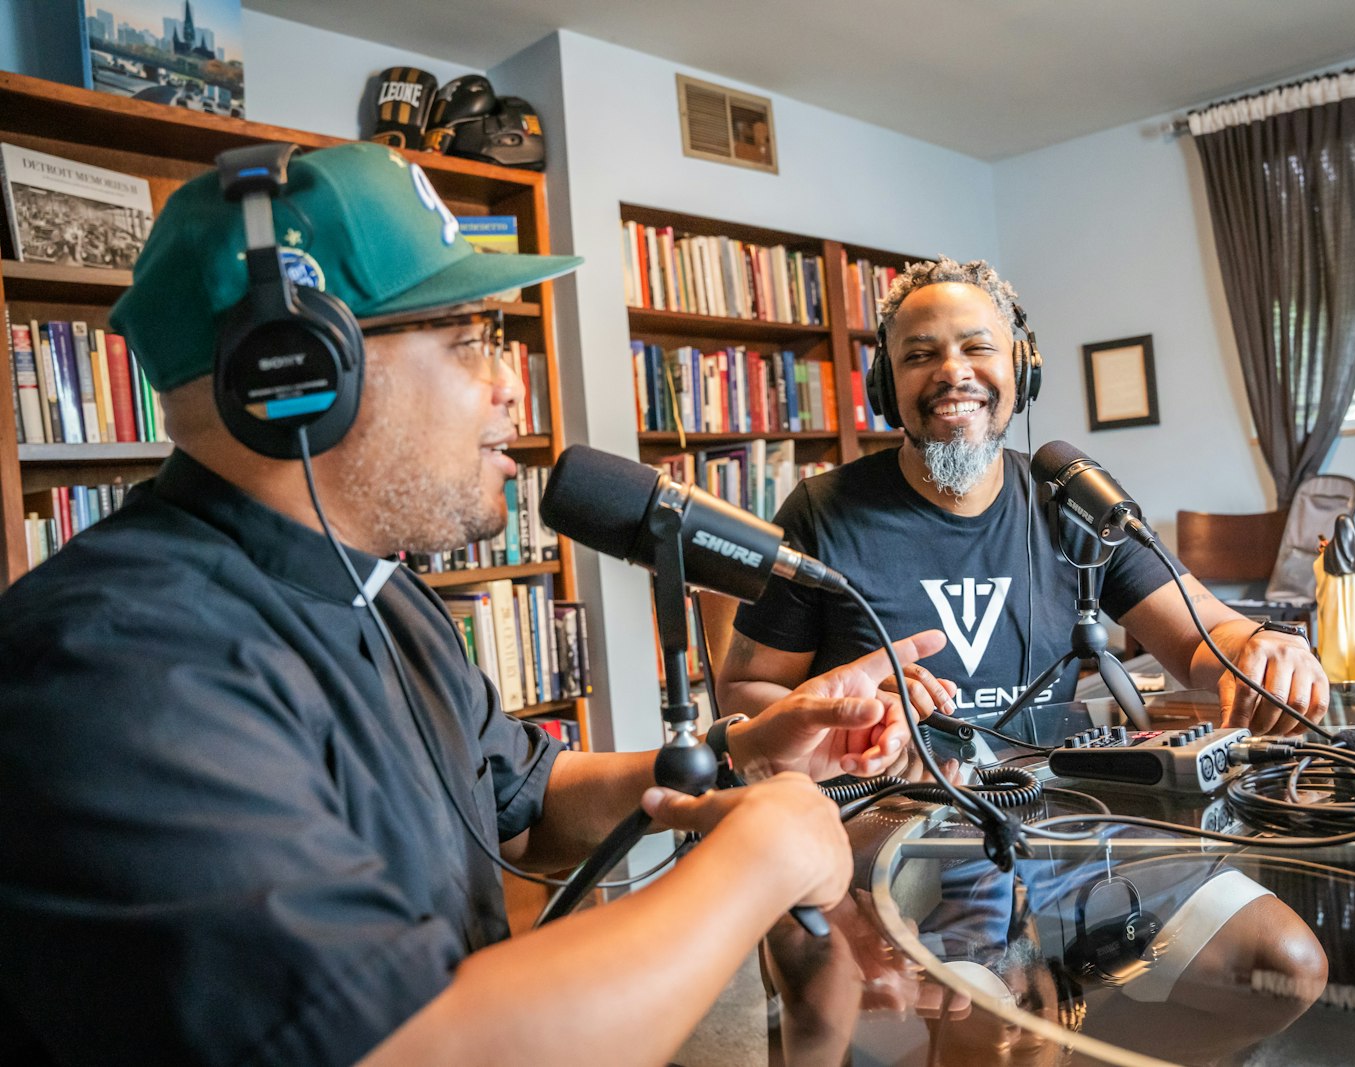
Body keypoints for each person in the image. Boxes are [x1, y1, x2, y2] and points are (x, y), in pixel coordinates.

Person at [0, 142, 946, 1066]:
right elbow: (414, 1043)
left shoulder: (383, 586)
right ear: (294, 373)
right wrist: (761, 855)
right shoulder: (112, 668)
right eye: (468, 342)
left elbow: (524, 802)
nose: (509, 383)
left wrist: (747, 749)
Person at [718, 256, 1330, 736]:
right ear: (886, 386)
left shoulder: (1074, 499)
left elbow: (1201, 638)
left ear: (1021, 369)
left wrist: (1261, 648)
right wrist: (846, 703)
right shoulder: (821, 512)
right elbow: (745, 694)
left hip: (1048, 813)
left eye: (977, 347)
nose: (952, 372)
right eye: (920, 354)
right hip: (882, 809)